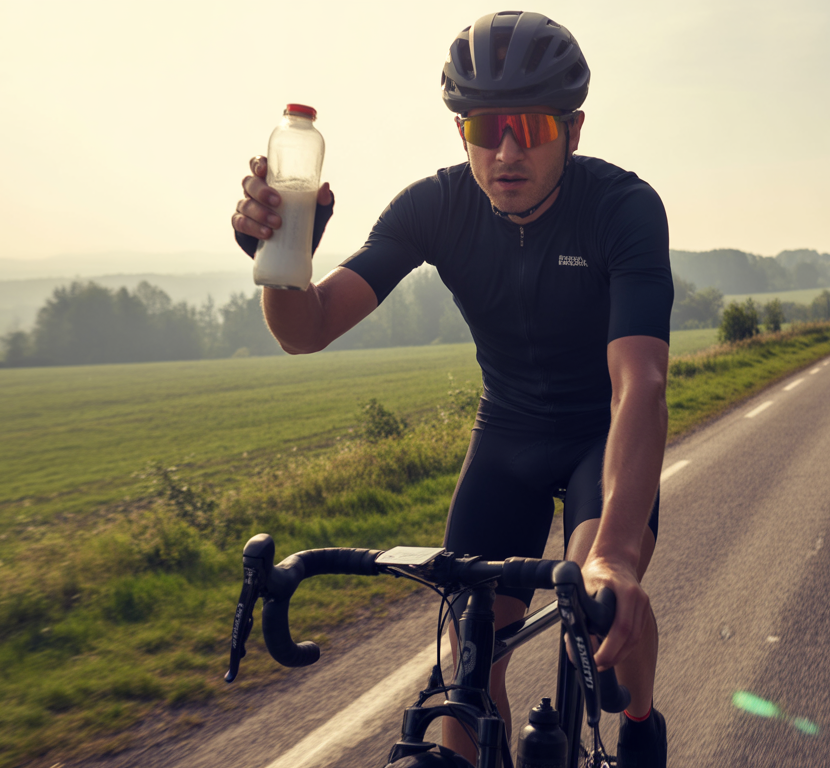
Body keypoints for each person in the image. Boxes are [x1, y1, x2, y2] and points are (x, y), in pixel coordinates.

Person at [231, 11, 671, 767]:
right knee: (466, 655)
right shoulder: (432, 207)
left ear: (573, 128)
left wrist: (620, 557)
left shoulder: (623, 208)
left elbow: (642, 383)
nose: (504, 151)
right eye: (482, 127)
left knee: (601, 600)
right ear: (460, 130)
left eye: (529, 128)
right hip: (506, 436)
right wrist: (283, 253)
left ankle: (638, 722)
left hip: (600, 435)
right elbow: (303, 328)